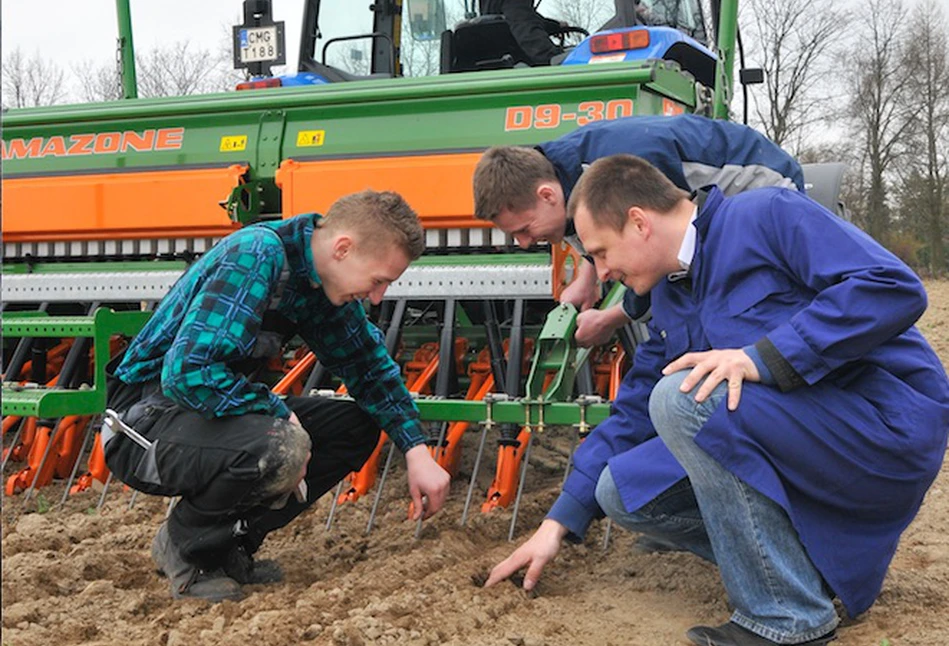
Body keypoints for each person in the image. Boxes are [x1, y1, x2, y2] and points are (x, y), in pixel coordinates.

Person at [485, 154, 949, 646]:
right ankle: (801, 575)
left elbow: (892, 287)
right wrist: (558, 523)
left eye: (600, 253)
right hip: (806, 434)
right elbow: (634, 409)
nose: (602, 274)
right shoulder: (670, 294)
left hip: (882, 425)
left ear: (639, 222)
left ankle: (787, 617)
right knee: (620, 491)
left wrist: (760, 358)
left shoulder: (769, 215)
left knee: (684, 399)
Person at [103, 190, 451, 602]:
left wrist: (416, 449)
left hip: (204, 418)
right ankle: (185, 547)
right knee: (283, 443)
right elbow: (188, 374)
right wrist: (276, 411)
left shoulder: (317, 284)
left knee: (352, 429)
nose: (378, 297)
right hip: (143, 425)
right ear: (343, 248)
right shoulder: (256, 254)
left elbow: (368, 368)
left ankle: (230, 546)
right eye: (378, 281)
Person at [472, 114, 804, 347]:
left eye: (525, 230)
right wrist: (585, 281)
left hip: (760, 183)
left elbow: (655, 261)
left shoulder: (620, 171)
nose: (525, 243)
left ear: (547, 195)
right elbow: (598, 233)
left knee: (706, 308)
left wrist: (611, 319)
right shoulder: (556, 175)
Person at [480, 0, 566, 65]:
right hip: (518, 67)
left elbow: (525, 17)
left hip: (498, 63)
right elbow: (529, 37)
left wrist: (554, 26)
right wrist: (556, 58)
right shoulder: (515, 3)